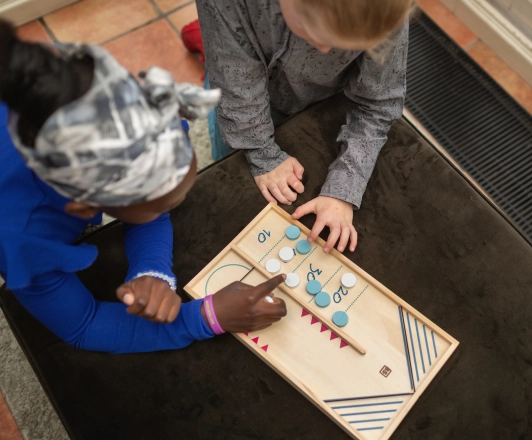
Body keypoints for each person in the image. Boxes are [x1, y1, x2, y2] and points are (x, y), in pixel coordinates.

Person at [0, 21, 287, 354]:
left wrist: (152, 268)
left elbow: (144, 209)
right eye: (160, 205)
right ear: (83, 206)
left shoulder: (114, 108)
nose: (173, 207)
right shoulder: (20, 237)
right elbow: (83, 325)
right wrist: (206, 317)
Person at [197, 0, 411, 255]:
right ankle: (207, 40)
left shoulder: (386, 10)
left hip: (316, 99)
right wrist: (261, 154)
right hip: (238, 93)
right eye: (313, 32)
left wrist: (344, 187)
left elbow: (378, 102)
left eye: (347, 46)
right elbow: (236, 89)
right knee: (225, 165)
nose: (325, 48)